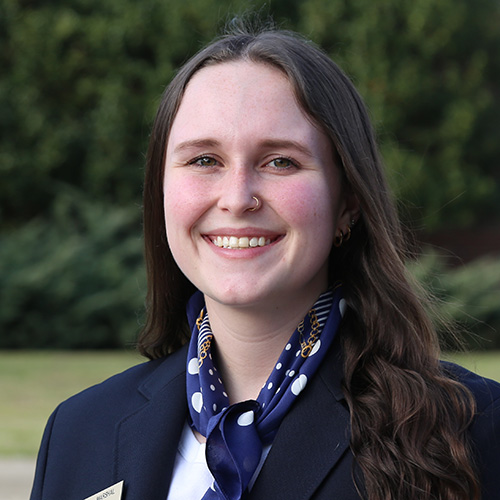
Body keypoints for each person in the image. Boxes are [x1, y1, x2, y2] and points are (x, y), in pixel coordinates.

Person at [30, 19, 500, 500]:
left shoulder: (472, 428)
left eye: (280, 161)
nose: (237, 199)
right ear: (161, 192)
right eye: (204, 160)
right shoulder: (78, 433)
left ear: (348, 203)